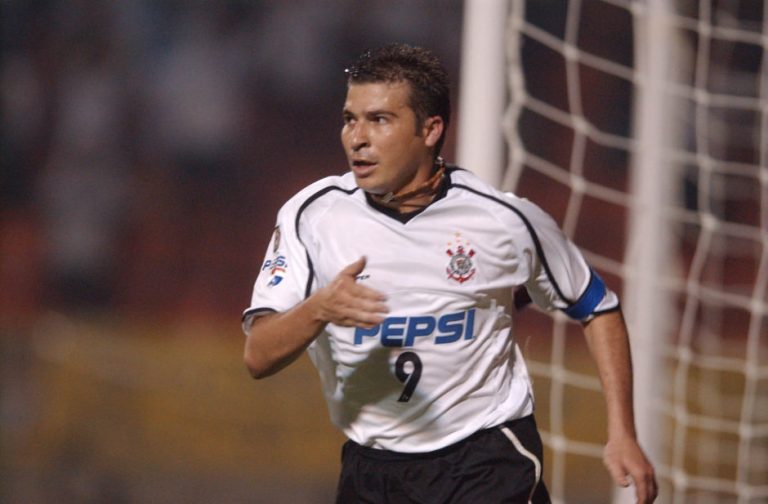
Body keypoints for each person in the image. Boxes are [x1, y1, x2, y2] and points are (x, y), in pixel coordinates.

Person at [243, 43, 657, 503]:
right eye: (349, 118)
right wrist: (318, 309)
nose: (356, 138)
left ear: (430, 129)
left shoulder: (502, 220)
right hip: (373, 467)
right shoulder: (312, 216)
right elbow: (258, 356)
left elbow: (597, 307)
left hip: (485, 458)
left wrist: (623, 431)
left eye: (378, 120)